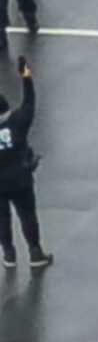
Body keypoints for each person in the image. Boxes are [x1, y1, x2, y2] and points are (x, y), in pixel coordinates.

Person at [0, 56, 51, 269]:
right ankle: (35, 251)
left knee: (2, 219)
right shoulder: (18, 121)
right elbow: (29, 103)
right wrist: (26, 77)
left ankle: (9, 254)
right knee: (27, 214)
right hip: (20, 178)